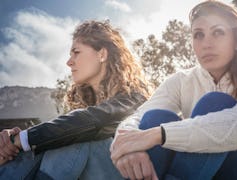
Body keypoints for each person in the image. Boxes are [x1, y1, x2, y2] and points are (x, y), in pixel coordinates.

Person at [110, 1, 237, 180]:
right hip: (205, 173)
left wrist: (157, 135)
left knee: (215, 104)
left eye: (218, 32)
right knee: (154, 117)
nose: (206, 43)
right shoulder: (182, 81)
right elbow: (138, 117)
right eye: (198, 35)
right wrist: (128, 147)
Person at [0, 20, 151, 179]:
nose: (69, 61)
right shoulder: (90, 106)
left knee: (75, 135)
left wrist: (20, 139)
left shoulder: (135, 96)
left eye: (76, 52)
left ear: (102, 55)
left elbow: (91, 122)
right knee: (60, 136)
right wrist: (9, 145)